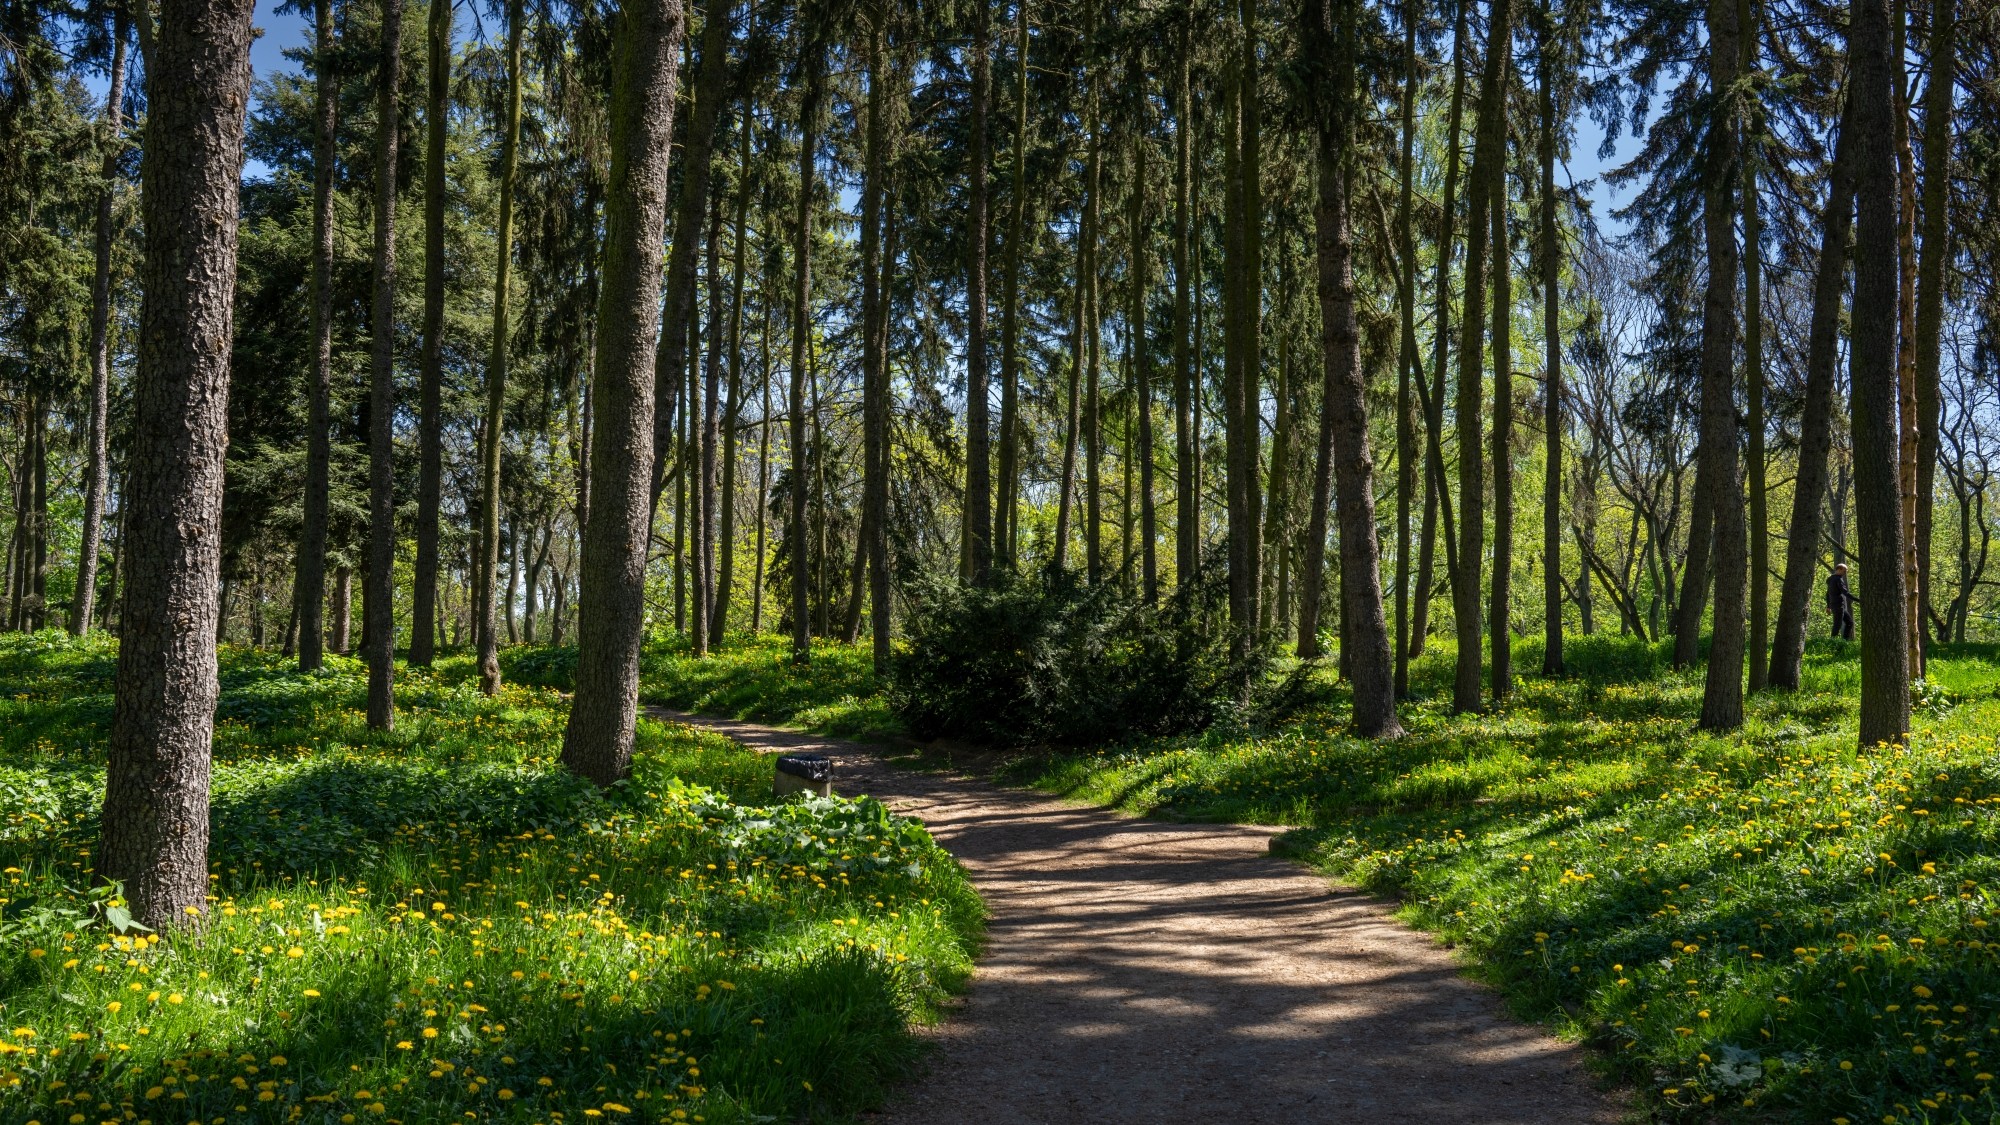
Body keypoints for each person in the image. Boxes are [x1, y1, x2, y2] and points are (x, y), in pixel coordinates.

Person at [1826, 563, 1856, 641]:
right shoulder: (1838, 579)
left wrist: (1828, 606)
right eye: (1844, 571)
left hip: (1835, 605)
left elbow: (1827, 593)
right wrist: (1858, 600)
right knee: (1837, 625)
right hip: (1838, 605)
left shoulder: (1831, 579)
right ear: (1838, 570)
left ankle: (1844, 641)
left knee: (1849, 623)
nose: (1845, 573)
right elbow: (1845, 592)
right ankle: (1832, 643)